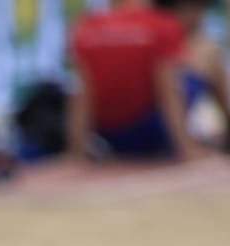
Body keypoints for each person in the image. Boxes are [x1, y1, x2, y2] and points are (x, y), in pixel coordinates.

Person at [66, 0, 230, 164]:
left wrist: (75, 152)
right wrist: (187, 149)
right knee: (208, 52)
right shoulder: (161, 26)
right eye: (200, 11)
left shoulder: (86, 26)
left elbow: (82, 93)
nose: (200, 19)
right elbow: (167, 91)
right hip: (151, 132)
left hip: (108, 134)